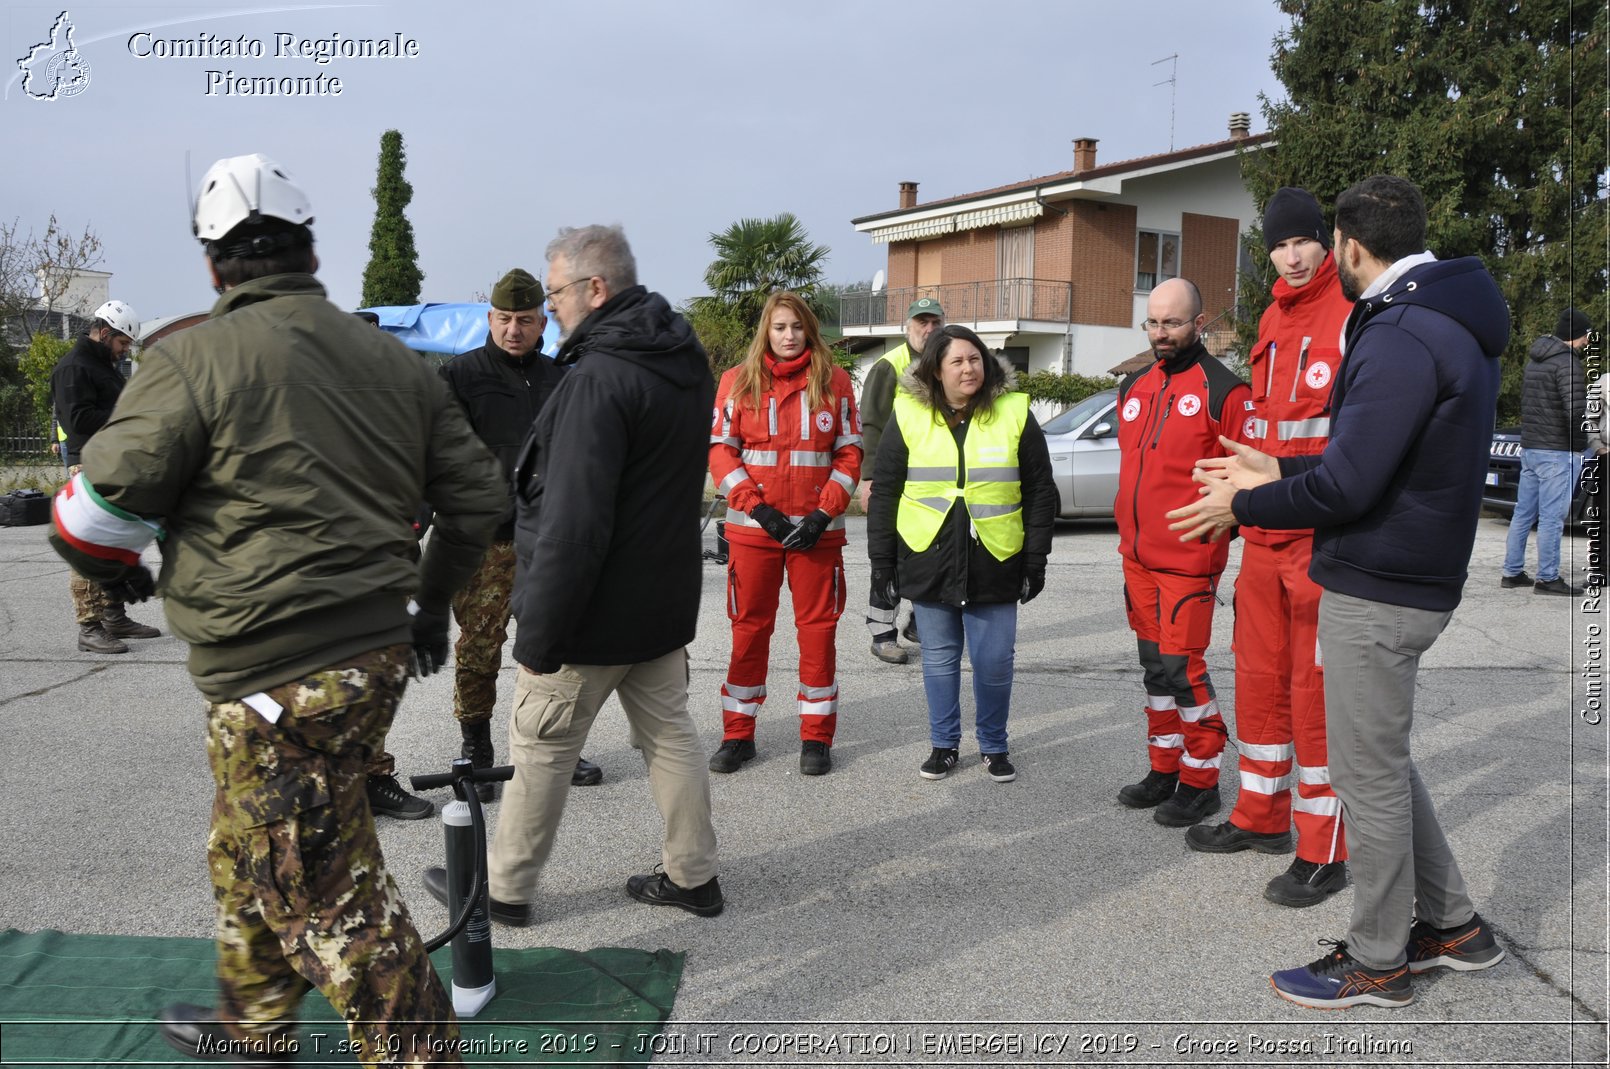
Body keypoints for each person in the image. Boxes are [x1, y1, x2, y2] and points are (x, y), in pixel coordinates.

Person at [49, 152, 505, 1063]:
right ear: (307, 252)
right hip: (371, 659)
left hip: (268, 678)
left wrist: (131, 565)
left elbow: (87, 518)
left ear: (215, 265)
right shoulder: (395, 359)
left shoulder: (187, 357)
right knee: (247, 843)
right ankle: (252, 1027)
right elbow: (480, 504)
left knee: (334, 903)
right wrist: (424, 607)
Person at [1168, 175, 1509, 1010]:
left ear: (1351, 246)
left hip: (1380, 583)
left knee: (1368, 775)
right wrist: (1276, 466)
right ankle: (1457, 927)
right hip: (1410, 575)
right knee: (1384, 761)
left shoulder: (1399, 332)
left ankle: (1379, 959)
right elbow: (1371, 459)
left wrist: (1242, 501)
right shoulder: (1444, 321)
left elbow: (1350, 486)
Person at [424, 224, 723, 924]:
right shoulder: (679, 360)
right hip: (658, 603)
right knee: (671, 735)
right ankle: (694, 874)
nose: (549, 305)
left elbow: (573, 523)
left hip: (591, 611)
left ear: (596, 288)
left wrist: (541, 633)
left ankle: (503, 890)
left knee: (541, 745)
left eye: (555, 291)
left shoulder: (599, 378)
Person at [1185, 188, 1351, 908]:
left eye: (1300, 242)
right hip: (1264, 532)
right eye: (1278, 245)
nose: (1289, 256)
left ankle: (1325, 850)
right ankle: (1261, 814)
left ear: (1326, 241)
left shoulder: (1353, 313)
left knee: (1314, 697)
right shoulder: (1271, 318)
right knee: (1257, 679)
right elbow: (1266, 427)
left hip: (1320, 533)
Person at [439, 268, 602, 798]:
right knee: (480, 647)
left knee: (559, 647)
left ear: (541, 324)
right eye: (505, 319)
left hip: (550, 542)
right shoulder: (457, 377)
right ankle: (476, 748)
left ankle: (556, 745)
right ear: (490, 319)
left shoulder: (562, 380)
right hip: (483, 541)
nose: (514, 330)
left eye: (526, 320)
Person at [867, 325, 1056, 781]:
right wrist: (881, 564)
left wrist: (1036, 558)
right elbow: (886, 492)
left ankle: (994, 745)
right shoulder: (908, 413)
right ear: (936, 370)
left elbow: (1040, 491)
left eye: (975, 359)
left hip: (996, 556)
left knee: (993, 662)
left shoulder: (1014, 412)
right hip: (927, 554)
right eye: (957, 361)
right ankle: (944, 745)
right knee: (939, 659)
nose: (968, 368)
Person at [1113, 277, 1251, 827]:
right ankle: (1165, 767)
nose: (1160, 333)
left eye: (1171, 322)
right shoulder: (1133, 387)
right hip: (1137, 557)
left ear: (1199, 324)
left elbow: (1249, 484)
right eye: (1152, 322)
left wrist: (1220, 532)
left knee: (1182, 668)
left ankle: (1202, 779)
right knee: (1154, 668)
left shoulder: (1225, 391)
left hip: (1190, 560)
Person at [707, 291, 862, 776]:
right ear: (766, 333)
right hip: (755, 533)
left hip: (817, 535)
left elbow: (850, 454)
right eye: (779, 327)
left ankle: (816, 739)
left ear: (809, 330)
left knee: (817, 633)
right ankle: (738, 735)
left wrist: (821, 514)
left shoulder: (835, 382)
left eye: (797, 327)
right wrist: (759, 511)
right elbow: (721, 454)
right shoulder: (736, 382)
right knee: (749, 631)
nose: (789, 336)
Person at [50, 299, 162, 654]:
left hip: (113, 462)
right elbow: (77, 420)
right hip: (87, 464)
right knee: (91, 542)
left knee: (115, 539)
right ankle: (89, 625)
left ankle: (114, 614)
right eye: (122, 343)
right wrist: (126, 416)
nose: (124, 350)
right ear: (104, 333)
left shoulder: (102, 365)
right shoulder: (74, 368)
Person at [857, 297, 944, 663]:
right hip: (893, 482)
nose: (928, 329)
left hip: (932, 483)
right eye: (921, 322)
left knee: (929, 554)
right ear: (907, 327)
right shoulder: (889, 365)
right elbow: (872, 425)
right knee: (887, 557)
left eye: (934, 322)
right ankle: (883, 635)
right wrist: (869, 479)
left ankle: (920, 626)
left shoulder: (947, 363)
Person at [1501, 308, 1591, 596]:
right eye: (1588, 334)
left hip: (1531, 449)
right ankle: (1547, 577)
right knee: (1552, 518)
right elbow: (1576, 410)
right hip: (1556, 452)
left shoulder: (1535, 360)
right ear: (1580, 334)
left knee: (1523, 513)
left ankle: (1512, 572)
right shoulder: (1568, 364)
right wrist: (1579, 446)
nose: (1590, 340)